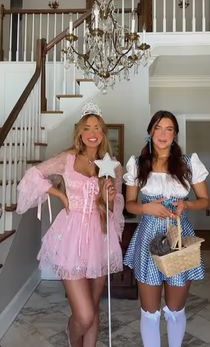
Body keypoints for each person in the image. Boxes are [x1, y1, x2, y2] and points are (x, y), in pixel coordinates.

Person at [16, 102, 124, 347]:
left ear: (103, 132)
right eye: (87, 128)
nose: (92, 132)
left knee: (94, 308)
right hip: (70, 237)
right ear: (80, 133)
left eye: (97, 127)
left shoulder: (112, 166)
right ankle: (72, 337)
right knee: (83, 315)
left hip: (99, 238)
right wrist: (60, 194)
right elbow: (34, 175)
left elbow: (114, 207)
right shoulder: (67, 159)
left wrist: (109, 196)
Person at [123, 110, 210, 347]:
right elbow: (129, 205)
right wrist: (146, 209)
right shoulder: (138, 164)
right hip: (148, 238)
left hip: (179, 239)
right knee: (149, 312)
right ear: (150, 132)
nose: (163, 134)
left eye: (169, 129)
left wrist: (187, 204)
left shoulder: (188, 163)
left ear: (175, 134)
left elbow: (205, 200)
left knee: (175, 309)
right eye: (158, 128)